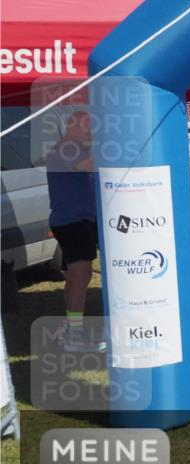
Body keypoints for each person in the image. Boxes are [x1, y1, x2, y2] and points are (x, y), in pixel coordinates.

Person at [46, 112, 104, 352]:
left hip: (80, 220)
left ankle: (72, 327)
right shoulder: (66, 149)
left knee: (76, 275)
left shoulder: (76, 149)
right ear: (72, 127)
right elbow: (92, 165)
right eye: (87, 128)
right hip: (73, 221)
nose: (91, 133)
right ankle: (74, 334)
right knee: (81, 275)